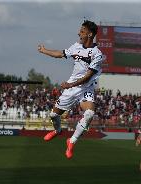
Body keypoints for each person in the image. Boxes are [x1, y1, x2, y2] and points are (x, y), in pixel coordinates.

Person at [38, 20, 103, 159]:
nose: (79, 33)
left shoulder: (97, 54)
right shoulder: (76, 46)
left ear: (90, 34)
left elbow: (88, 76)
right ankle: (58, 130)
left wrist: (70, 85)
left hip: (85, 87)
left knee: (90, 113)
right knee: (54, 115)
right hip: (71, 88)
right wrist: (44, 51)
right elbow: (60, 54)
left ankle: (72, 141)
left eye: (82, 31)